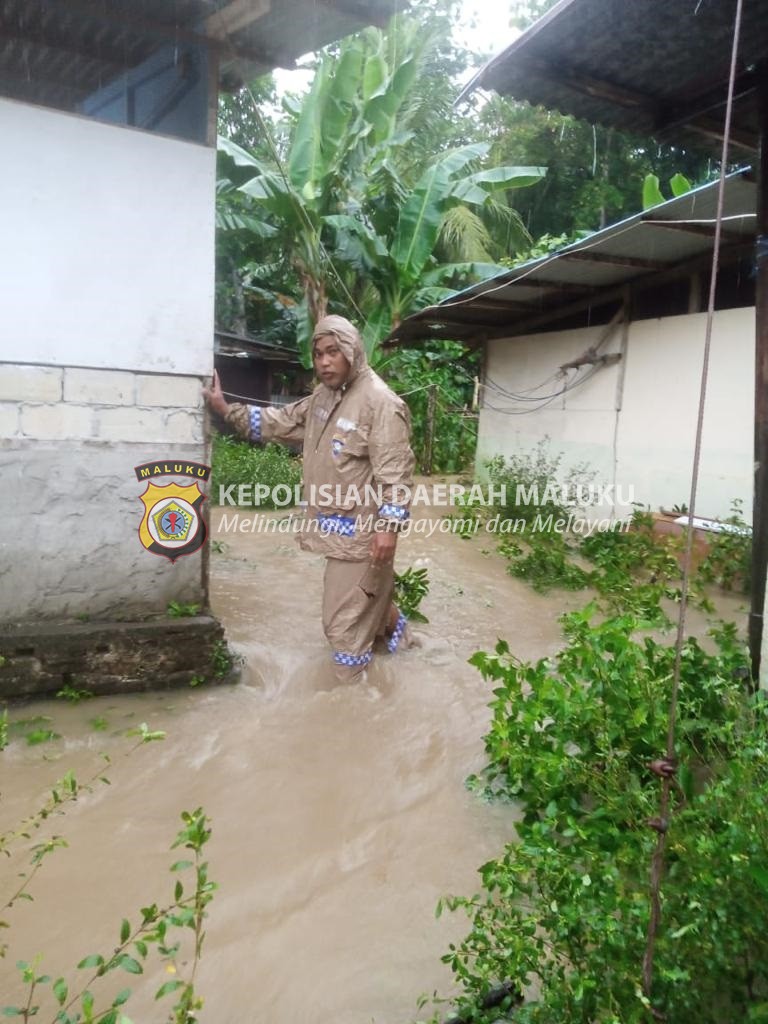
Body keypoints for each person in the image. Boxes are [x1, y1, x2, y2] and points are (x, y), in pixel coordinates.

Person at [203, 314, 416, 681]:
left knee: (341, 625)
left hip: (363, 535)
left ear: (352, 351)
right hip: (336, 526)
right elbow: (280, 422)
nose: (324, 362)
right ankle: (404, 643)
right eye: (318, 354)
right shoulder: (323, 397)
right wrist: (226, 411)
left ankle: (352, 705)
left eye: (333, 352)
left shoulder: (381, 402)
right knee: (364, 600)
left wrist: (389, 529)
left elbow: (395, 472)